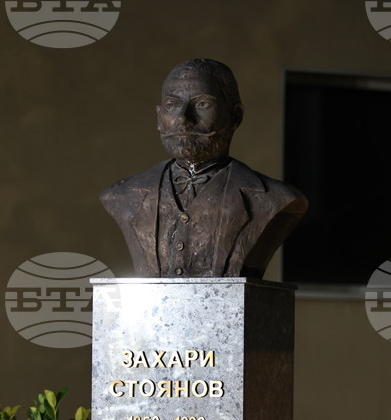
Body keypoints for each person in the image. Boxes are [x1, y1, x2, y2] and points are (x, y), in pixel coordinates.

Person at [100, 58, 308, 278]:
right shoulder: (121, 196)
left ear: (235, 116)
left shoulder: (276, 199)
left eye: (202, 104)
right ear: (159, 117)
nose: (183, 119)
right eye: (172, 105)